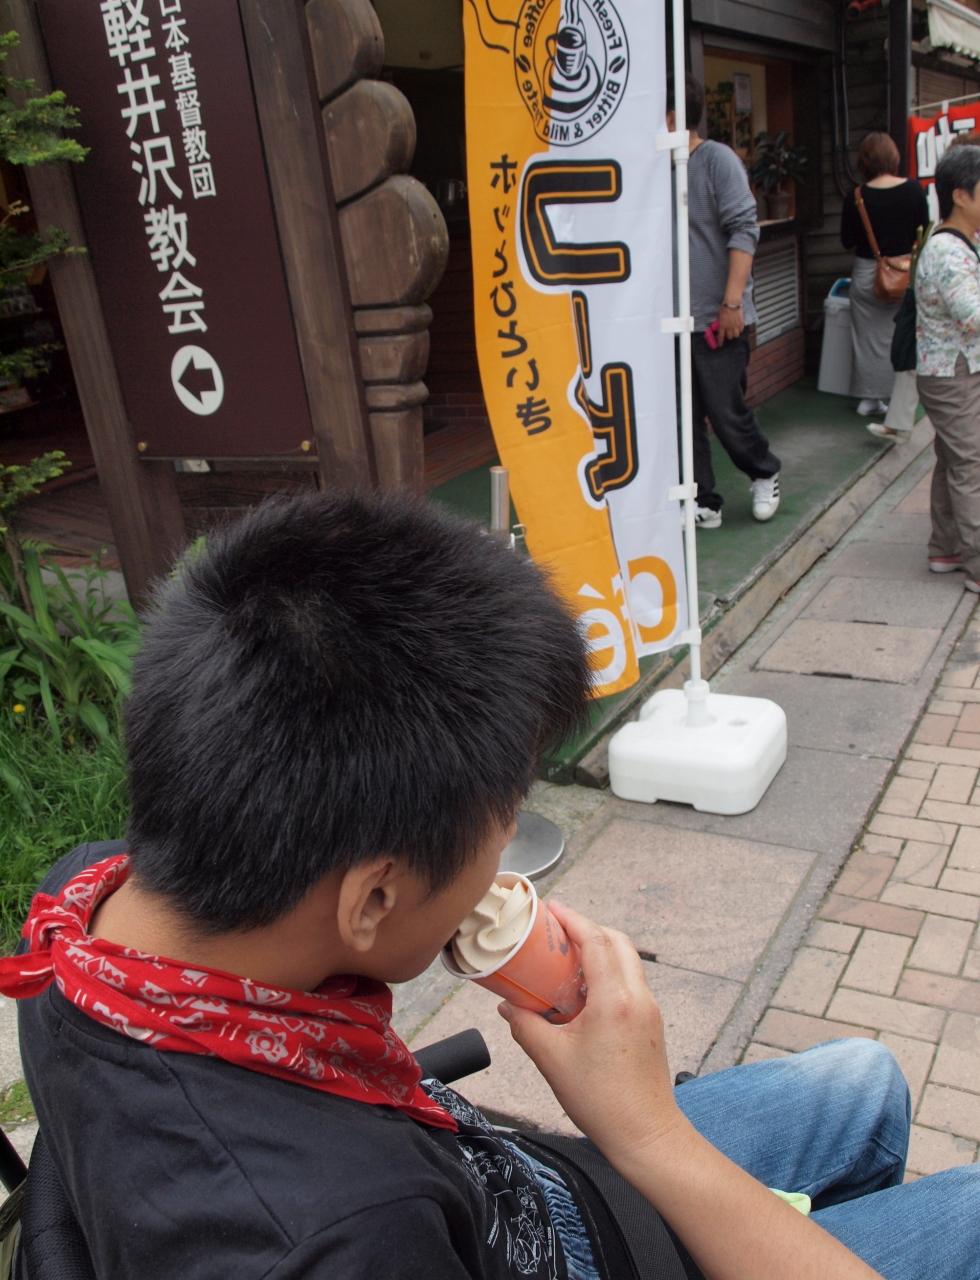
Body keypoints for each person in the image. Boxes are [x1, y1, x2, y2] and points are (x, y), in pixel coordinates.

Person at [2, 491, 978, 1280]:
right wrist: (645, 1129)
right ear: (370, 900)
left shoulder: (83, 902)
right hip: (546, 1227)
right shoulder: (341, 1236)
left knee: (864, 1082)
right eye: (503, 814)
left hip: (500, 1184)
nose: (507, 844)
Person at [668, 76, 781, 529]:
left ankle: (764, 472)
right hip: (672, 321)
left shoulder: (717, 160)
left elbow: (744, 230)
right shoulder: (654, 169)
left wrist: (732, 303)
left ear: (673, 118)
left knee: (726, 412)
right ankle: (703, 499)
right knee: (683, 418)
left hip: (718, 318)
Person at [914, 144, 980, 590]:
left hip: (949, 371)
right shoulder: (948, 251)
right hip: (952, 374)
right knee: (971, 466)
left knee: (954, 459)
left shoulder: (958, 242)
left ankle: (945, 548)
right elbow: (972, 315)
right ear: (960, 195)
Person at [840, 132, 929, 436]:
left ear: (863, 162)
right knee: (902, 336)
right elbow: (923, 231)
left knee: (866, 337)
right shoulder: (914, 190)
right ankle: (898, 399)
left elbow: (847, 240)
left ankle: (868, 398)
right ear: (894, 157)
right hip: (905, 273)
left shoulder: (856, 197)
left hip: (869, 273)